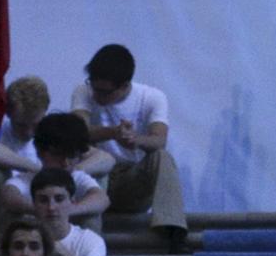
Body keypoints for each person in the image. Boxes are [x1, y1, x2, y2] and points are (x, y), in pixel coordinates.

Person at [70, 43, 188, 243]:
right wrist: (113, 133)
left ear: (124, 86)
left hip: (131, 181)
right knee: (95, 160)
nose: (97, 96)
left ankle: (173, 229)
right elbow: (77, 132)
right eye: (94, 87)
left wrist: (136, 140)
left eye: (105, 92)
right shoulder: (84, 91)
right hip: (97, 175)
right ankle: (90, 243)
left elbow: (160, 140)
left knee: (162, 157)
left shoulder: (151, 97)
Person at [0, 75, 54, 210]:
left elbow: (104, 157)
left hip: (47, 208)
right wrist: (37, 169)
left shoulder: (55, 133)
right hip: (8, 207)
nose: (29, 132)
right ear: (8, 113)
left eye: (35, 125)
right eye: (21, 125)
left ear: (45, 112)